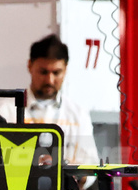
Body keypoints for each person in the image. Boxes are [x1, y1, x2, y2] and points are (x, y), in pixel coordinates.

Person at [14, 35, 98, 170]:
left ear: (66, 69)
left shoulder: (78, 114)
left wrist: (72, 172)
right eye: (43, 72)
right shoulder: (5, 111)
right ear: (29, 66)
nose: (49, 80)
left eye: (56, 72)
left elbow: (90, 168)